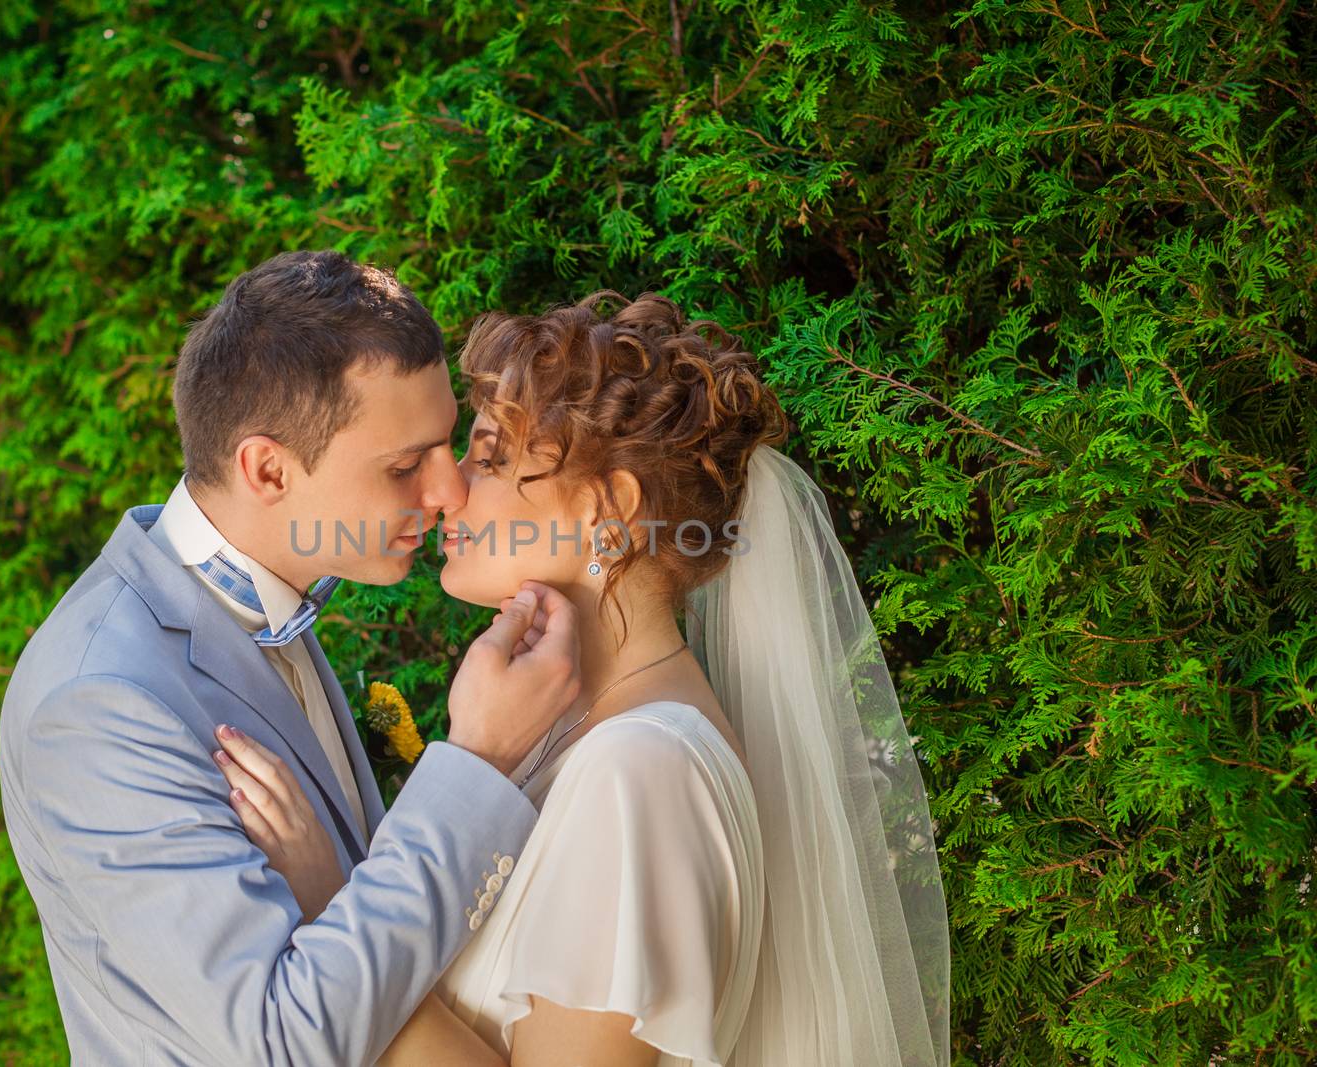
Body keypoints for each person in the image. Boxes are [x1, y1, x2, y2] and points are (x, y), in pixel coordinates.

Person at [216, 291, 952, 1066]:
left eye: (493, 457)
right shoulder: (579, 737)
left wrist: (336, 907)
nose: (452, 488)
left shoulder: (640, 772)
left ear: (611, 510)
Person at [0, 250, 583, 1066]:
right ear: (267, 468)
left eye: (446, 446)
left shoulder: (266, 604)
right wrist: (477, 758)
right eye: (406, 464)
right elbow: (279, 1044)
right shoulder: (99, 699)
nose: (450, 491)